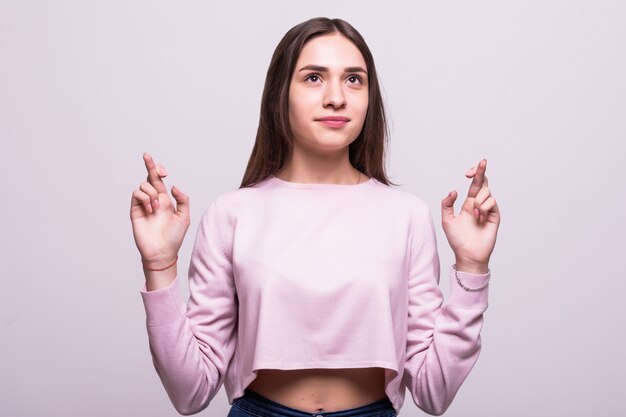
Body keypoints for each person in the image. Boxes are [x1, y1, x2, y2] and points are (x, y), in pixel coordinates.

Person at [130, 17, 500, 417]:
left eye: (354, 80)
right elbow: (190, 392)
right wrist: (159, 266)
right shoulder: (232, 214)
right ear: (280, 94)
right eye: (313, 78)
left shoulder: (406, 216)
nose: (336, 97)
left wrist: (472, 267)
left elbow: (434, 392)